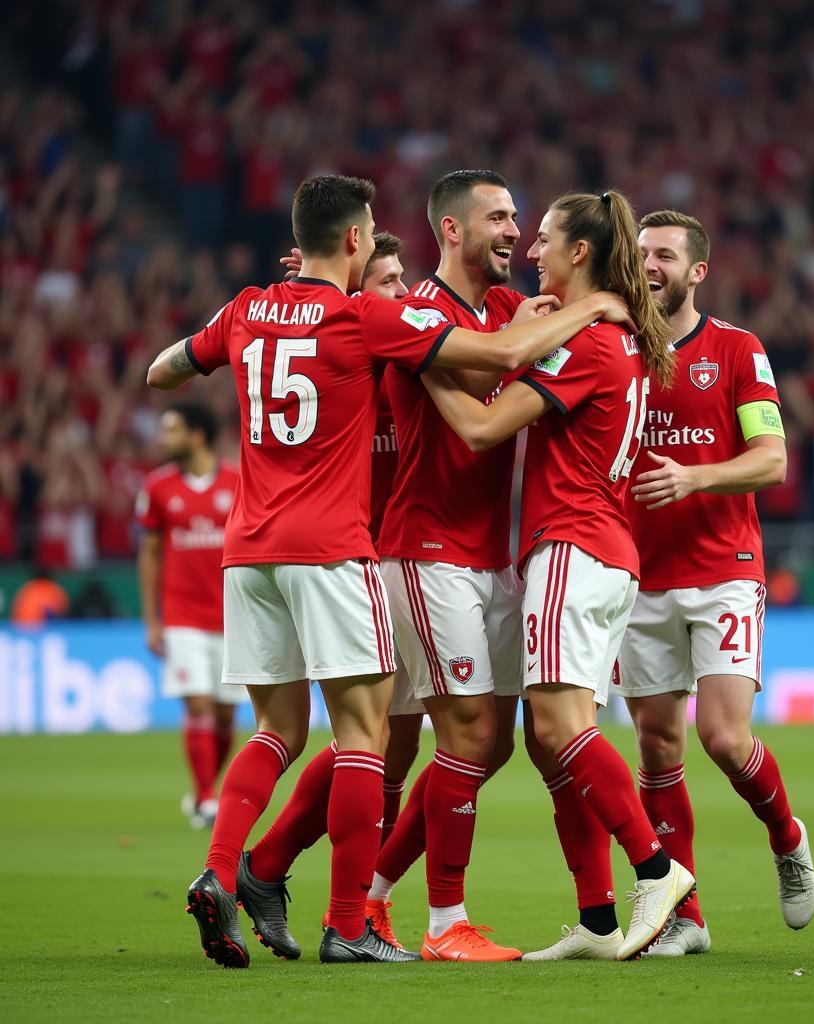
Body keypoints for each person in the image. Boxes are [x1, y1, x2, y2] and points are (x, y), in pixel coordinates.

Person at [146, 173, 632, 968]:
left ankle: (235, 868)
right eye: (373, 241)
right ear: (351, 241)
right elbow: (505, 355)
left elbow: (164, 371)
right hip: (347, 546)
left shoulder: (244, 308)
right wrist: (594, 306)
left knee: (286, 730)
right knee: (374, 740)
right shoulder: (366, 317)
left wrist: (243, 325)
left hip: (251, 546)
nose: (380, 254)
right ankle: (358, 920)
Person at [250, 172, 543, 963]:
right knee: (412, 739)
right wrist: (309, 310)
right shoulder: (398, 324)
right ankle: (409, 914)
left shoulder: (496, 313)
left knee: (404, 743)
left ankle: (279, 869)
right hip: (393, 552)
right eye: (500, 216)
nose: (515, 229)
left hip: (454, 551)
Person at [422, 189, 694, 962]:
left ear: (579, 253)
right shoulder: (617, 338)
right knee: (553, 747)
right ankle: (598, 922)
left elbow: (477, 429)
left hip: (572, 549)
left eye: (544, 238)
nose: (531, 249)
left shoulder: (587, 347)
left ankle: (656, 869)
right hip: (604, 553)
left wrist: (421, 361)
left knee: (558, 727)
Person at [608, 210, 814, 957]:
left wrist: (696, 476)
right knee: (657, 748)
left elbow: (772, 460)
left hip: (723, 572)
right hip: (639, 577)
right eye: (640, 254)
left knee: (724, 737)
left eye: (664, 254)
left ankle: (787, 838)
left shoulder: (737, 350)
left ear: (697, 271)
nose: (650, 264)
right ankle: (686, 915)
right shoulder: (613, 347)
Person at [234, 231, 427, 962]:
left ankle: (271, 868)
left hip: (397, 561)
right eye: (385, 279)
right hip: (346, 562)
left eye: (404, 279)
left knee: (383, 743)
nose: (399, 293)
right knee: (375, 740)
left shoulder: (406, 356)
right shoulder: (349, 348)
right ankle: (352, 914)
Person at [136, 404, 243, 829]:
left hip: (233, 614)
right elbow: (150, 553)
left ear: (197, 435)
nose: (163, 440)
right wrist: (152, 619)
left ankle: (205, 788)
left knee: (223, 714)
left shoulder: (238, 481)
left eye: (172, 430)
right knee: (197, 703)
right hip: (181, 615)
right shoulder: (158, 487)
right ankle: (204, 796)